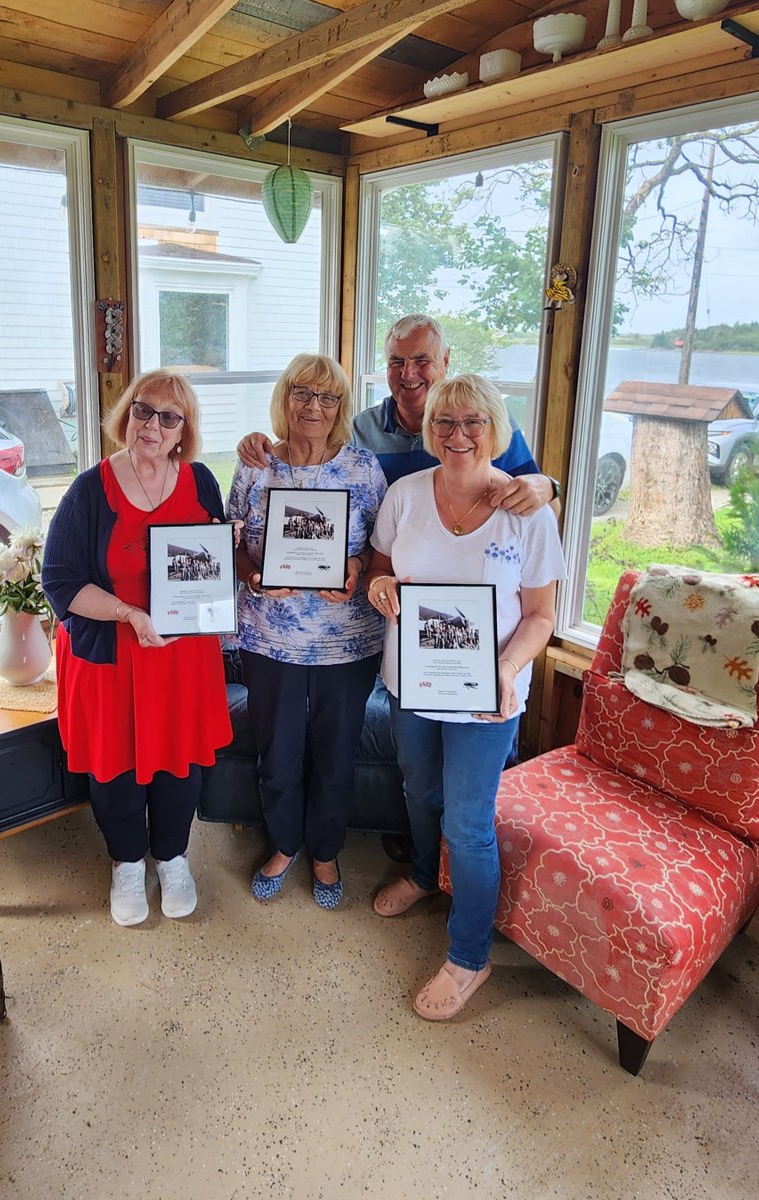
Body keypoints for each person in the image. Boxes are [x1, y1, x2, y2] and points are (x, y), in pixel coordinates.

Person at [364, 373, 566, 1020]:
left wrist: (508, 668)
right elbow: (378, 566)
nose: (458, 435)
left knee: (469, 824)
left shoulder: (527, 513)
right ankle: (426, 875)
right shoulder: (403, 496)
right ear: (430, 431)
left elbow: (541, 616)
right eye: (445, 423)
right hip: (411, 684)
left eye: (472, 423)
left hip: (489, 696)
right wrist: (379, 587)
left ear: (496, 431)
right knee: (418, 791)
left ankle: (469, 955)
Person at [43, 369, 234, 928]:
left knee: (182, 762)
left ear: (184, 430)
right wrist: (129, 613)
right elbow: (58, 580)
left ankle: (173, 856)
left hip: (182, 657)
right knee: (114, 765)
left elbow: (209, 559)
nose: (152, 425)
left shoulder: (200, 482)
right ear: (126, 414)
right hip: (112, 650)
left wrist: (229, 548)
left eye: (168, 417)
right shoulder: (88, 489)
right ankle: (127, 862)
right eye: (142, 411)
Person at [227, 353, 387, 909]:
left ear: (341, 407)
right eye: (301, 392)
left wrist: (357, 567)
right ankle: (285, 845)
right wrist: (252, 575)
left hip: (349, 640)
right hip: (270, 637)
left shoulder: (364, 468)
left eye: (327, 397)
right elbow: (229, 540)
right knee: (279, 752)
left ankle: (325, 850)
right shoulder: (254, 464)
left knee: (336, 754)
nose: (313, 407)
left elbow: (380, 548)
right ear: (284, 397)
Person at [236, 314, 559, 515]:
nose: (408, 374)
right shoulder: (359, 432)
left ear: (445, 361)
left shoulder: (485, 426)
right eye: (396, 362)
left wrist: (549, 487)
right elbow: (305, 455)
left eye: (422, 361)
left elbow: (547, 508)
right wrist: (258, 442)